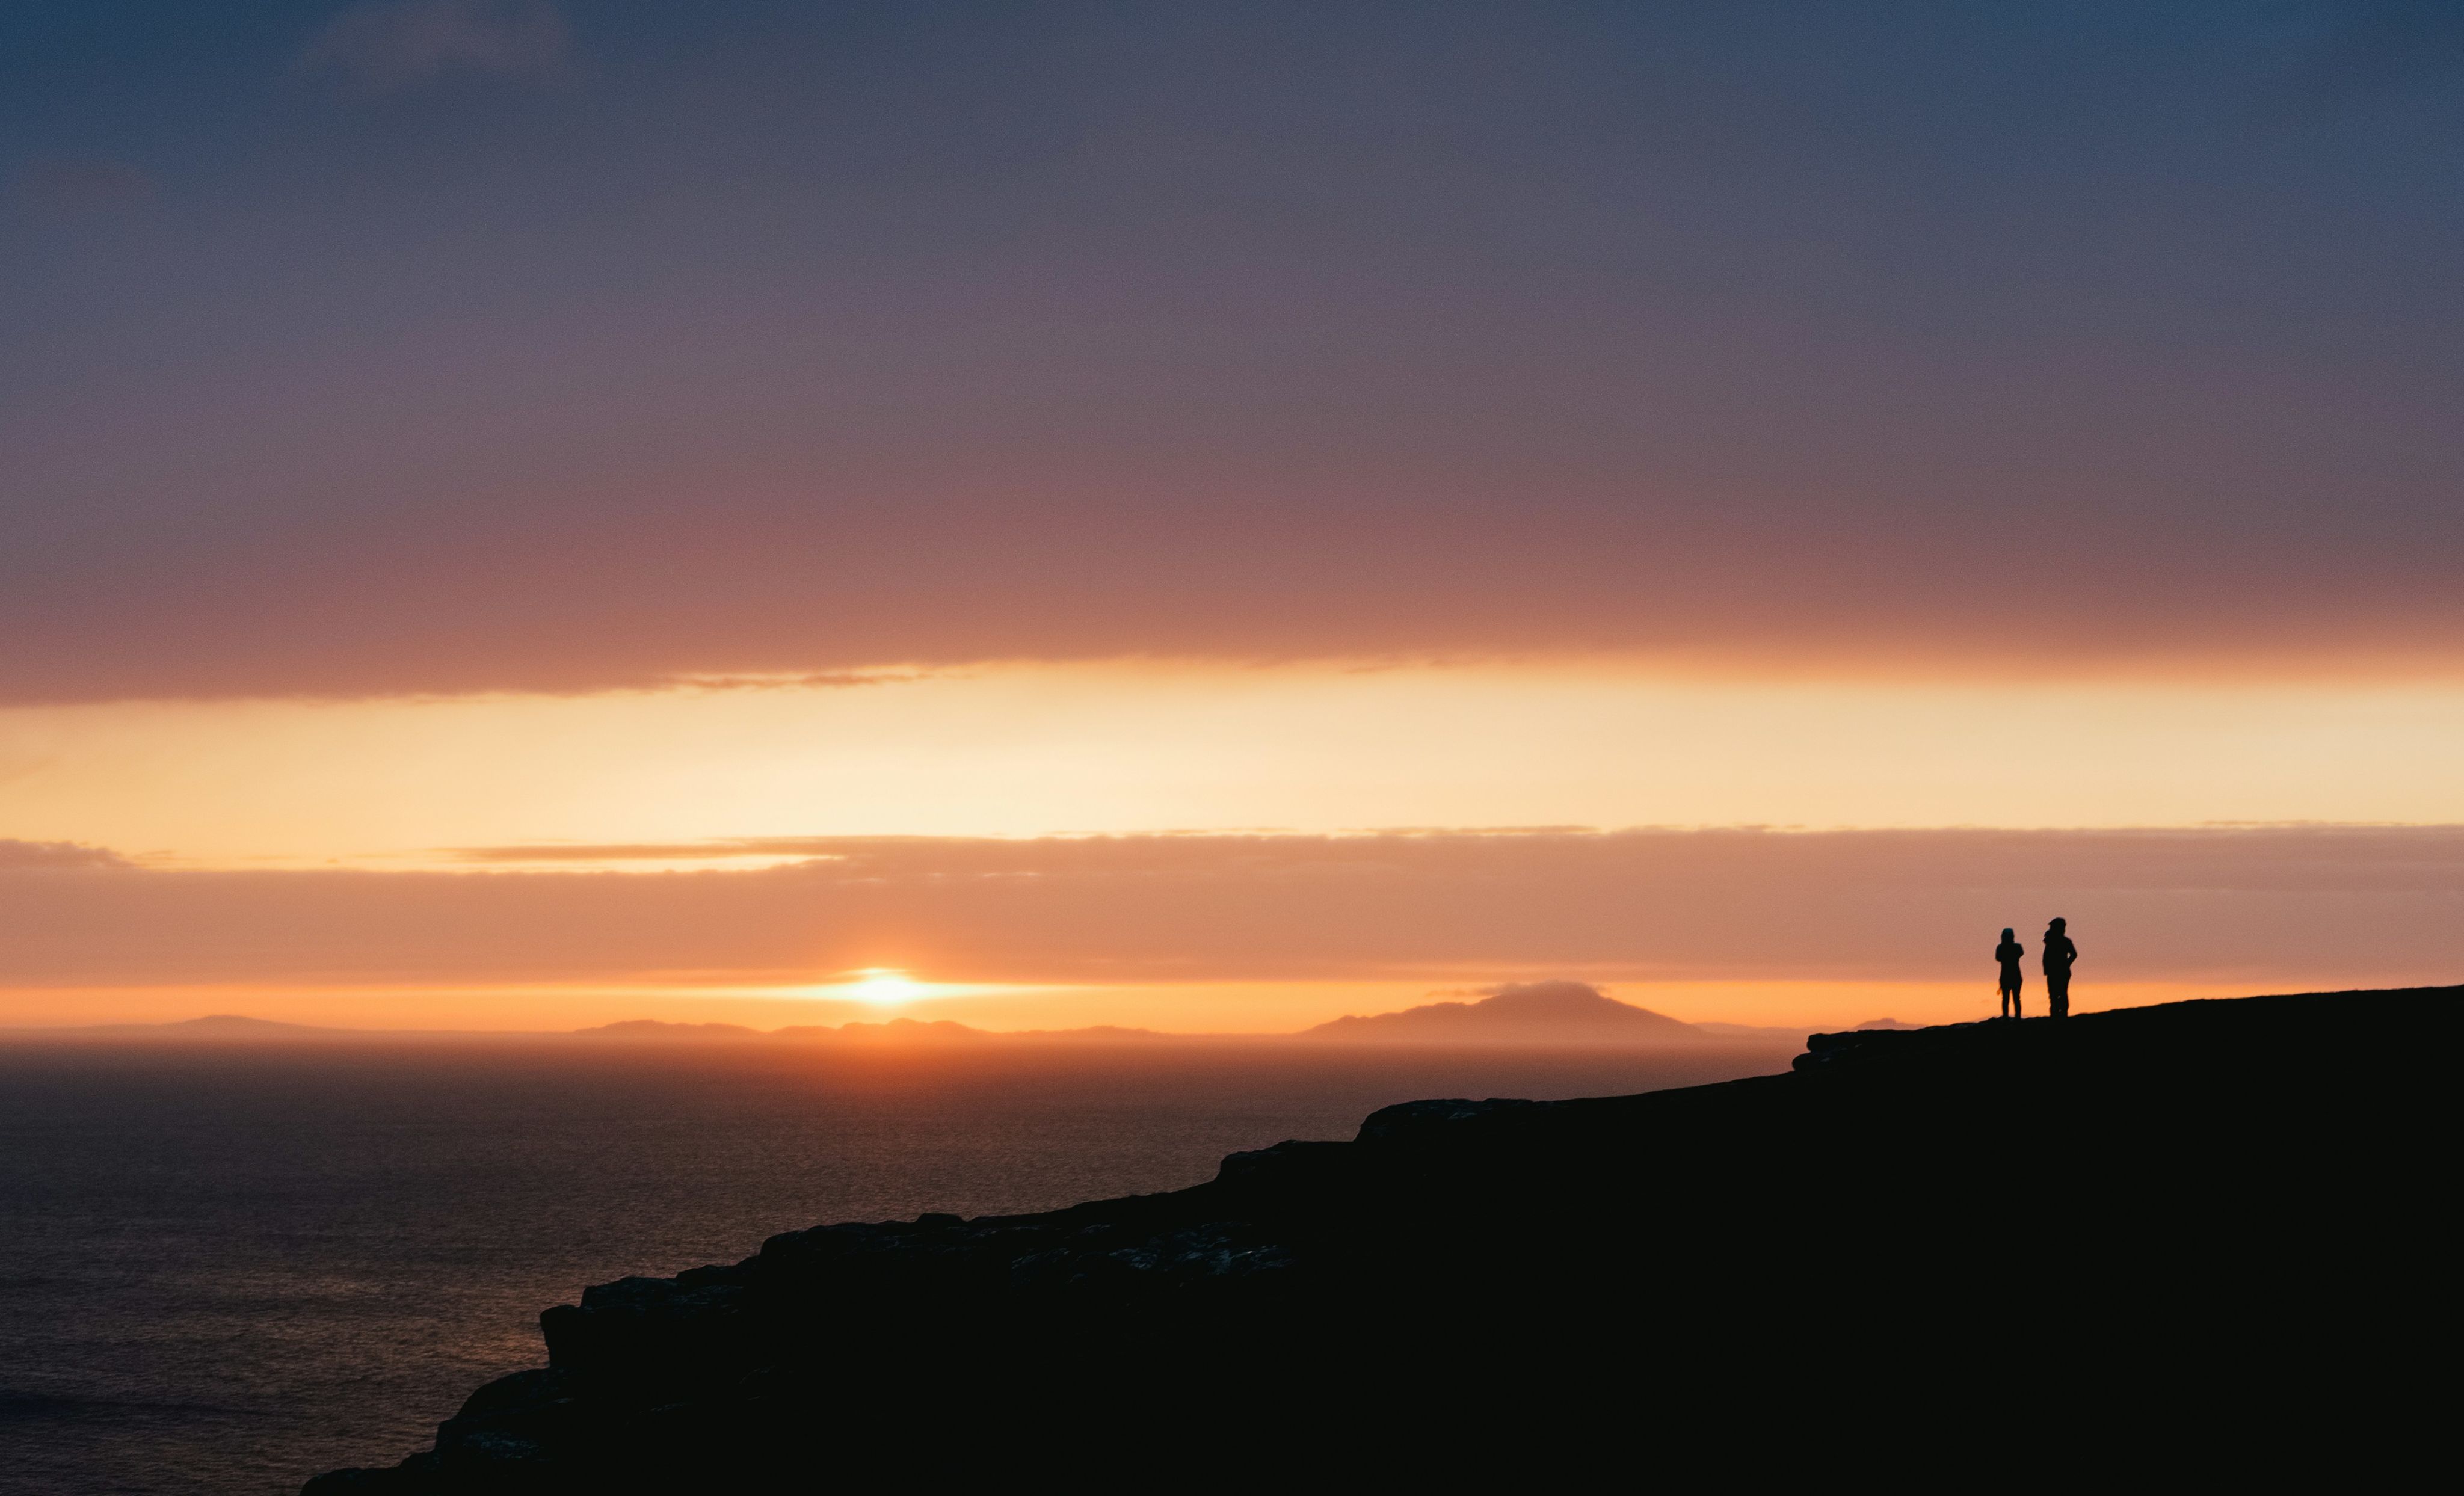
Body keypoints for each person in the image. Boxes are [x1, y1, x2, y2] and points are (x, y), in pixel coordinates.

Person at [2042, 917, 2078, 1018]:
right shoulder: (2057, 940)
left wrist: (2066, 964)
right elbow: (2074, 955)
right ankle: (2058, 1015)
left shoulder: (2058, 941)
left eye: (2052, 927)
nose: (2051, 929)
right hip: (2056, 971)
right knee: (2056, 994)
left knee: (2059, 994)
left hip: (2059, 972)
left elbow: (2074, 955)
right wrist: (2066, 964)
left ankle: (2060, 1015)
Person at [1995, 928, 2025, 1019]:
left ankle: (2007, 1018)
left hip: (2006, 976)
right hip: (2015, 976)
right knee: (2015, 999)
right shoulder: (2017, 947)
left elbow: (1998, 958)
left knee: (2007, 999)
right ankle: (2017, 1018)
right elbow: (2021, 953)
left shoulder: (2001, 948)